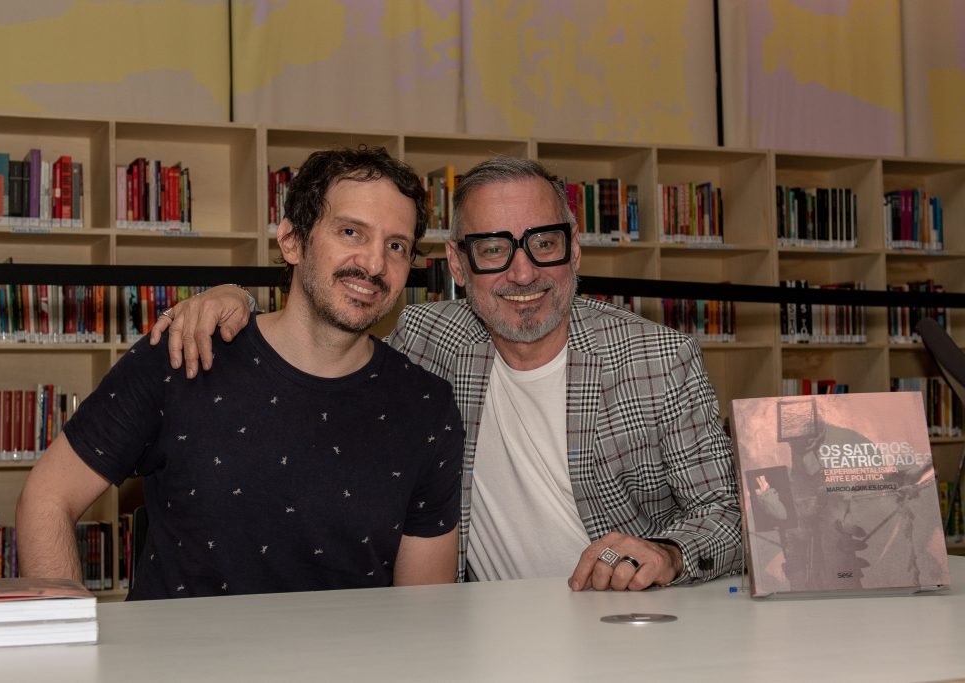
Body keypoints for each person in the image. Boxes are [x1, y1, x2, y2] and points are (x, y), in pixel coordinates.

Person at [151, 157, 743, 592]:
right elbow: (320, 334)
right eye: (493, 249)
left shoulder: (659, 360)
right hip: (472, 629)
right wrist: (236, 303)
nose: (523, 272)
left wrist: (669, 552)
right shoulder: (429, 342)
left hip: (620, 628)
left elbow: (730, 515)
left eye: (543, 243)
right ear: (457, 264)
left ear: (575, 251)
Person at [16, 147, 464, 599]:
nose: (373, 264)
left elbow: (422, 607)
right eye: (350, 232)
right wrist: (69, 643)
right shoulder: (185, 351)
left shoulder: (427, 406)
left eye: (396, 246)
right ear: (292, 240)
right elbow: (47, 498)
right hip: (179, 666)